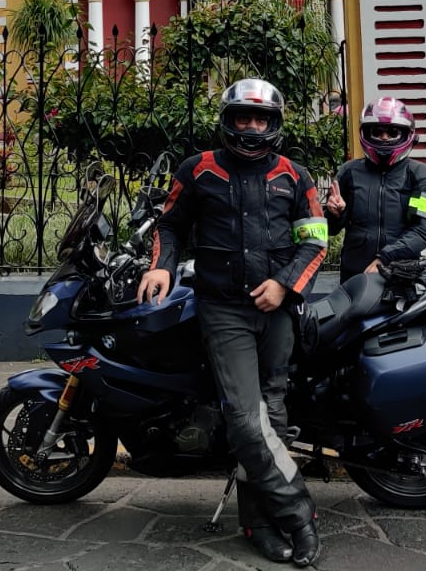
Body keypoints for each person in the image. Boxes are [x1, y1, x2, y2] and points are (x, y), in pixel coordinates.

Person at [136, 79, 326, 567]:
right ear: (228, 119)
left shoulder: (295, 176)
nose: (251, 126)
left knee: (274, 418)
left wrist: (284, 284)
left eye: (260, 119)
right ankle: (301, 517)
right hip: (223, 311)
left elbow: (316, 242)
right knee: (246, 418)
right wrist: (160, 264)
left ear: (274, 124)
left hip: (278, 312)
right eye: (242, 117)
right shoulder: (197, 169)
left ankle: (259, 523)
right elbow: (171, 224)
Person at [325, 97, 426, 281]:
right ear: (366, 134)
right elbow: (329, 229)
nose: (384, 138)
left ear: (406, 134)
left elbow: (423, 230)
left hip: (401, 275)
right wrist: (335, 214)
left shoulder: (418, 174)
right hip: (355, 277)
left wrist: (384, 258)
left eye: (392, 132)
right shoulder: (349, 172)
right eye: (377, 132)